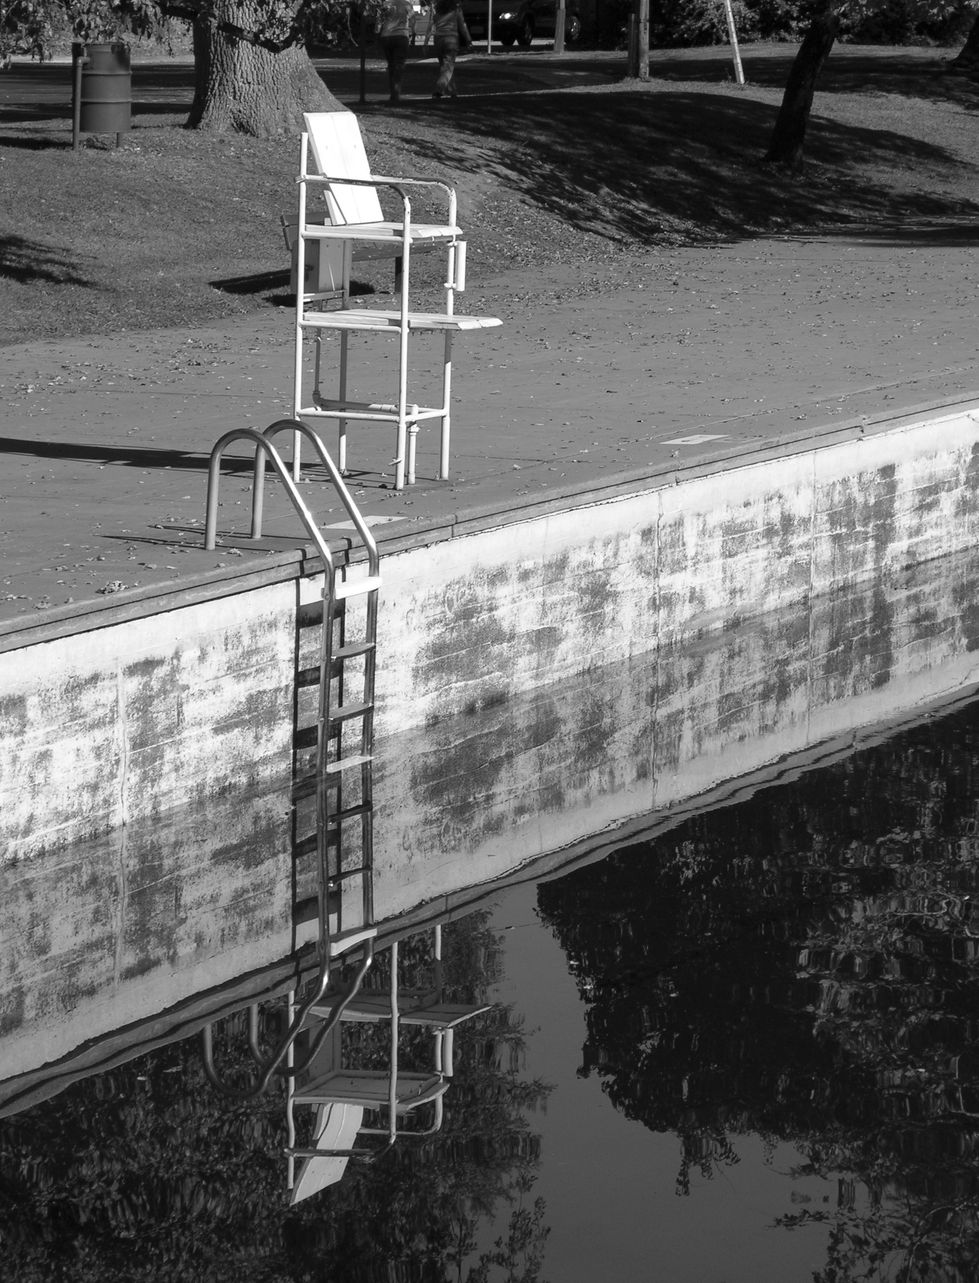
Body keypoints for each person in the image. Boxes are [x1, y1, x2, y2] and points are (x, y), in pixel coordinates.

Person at [423, 0, 471, 99]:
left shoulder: (437, 11)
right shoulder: (456, 10)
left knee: (445, 67)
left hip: (438, 40)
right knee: (448, 67)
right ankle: (438, 90)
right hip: (451, 39)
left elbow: (430, 26)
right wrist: (468, 40)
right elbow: (462, 25)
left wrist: (425, 43)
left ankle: (453, 91)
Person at [378, 0, 415, 104]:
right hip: (401, 35)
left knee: (391, 65)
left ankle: (393, 92)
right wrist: (412, 32)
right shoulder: (407, 5)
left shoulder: (386, 4)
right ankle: (396, 93)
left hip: (386, 36)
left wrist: (377, 32)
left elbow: (379, 20)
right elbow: (413, 20)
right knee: (399, 65)